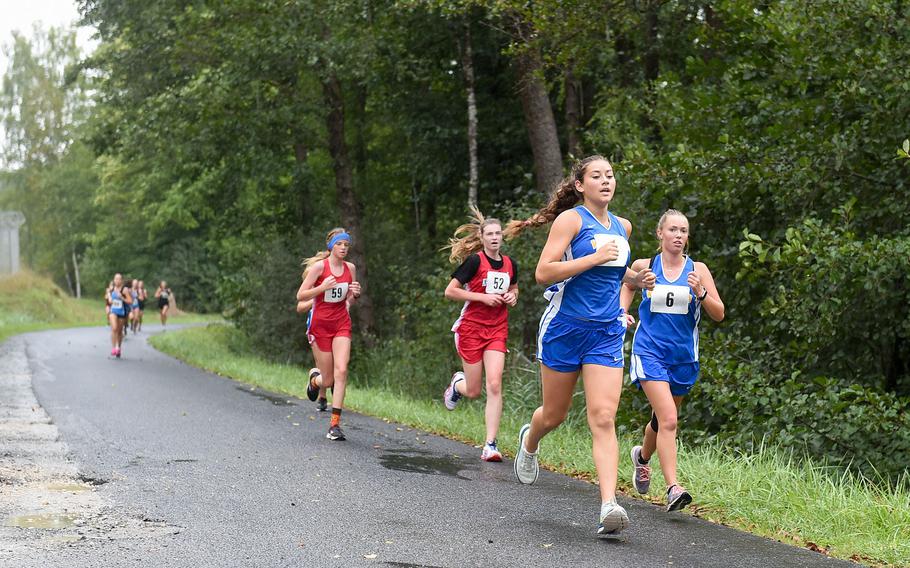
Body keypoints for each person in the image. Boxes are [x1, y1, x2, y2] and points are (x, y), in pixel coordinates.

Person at [505, 155, 655, 536]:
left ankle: (609, 505)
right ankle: (531, 438)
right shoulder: (570, 220)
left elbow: (616, 273)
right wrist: (592, 257)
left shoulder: (623, 225)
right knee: (554, 415)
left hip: (605, 331)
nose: (606, 181)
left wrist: (637, 279)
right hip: (565, 328)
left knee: (603, 417)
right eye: (597, 176)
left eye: (610, 175)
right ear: (580, 185)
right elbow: (543, 272)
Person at [620, 209, 724, 512]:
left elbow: (719, 313)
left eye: (684, 231)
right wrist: (623, 311)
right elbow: (626, 285)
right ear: (660, 234)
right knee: (668, 419)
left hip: (683, 358)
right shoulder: (645, 265)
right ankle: (673, 487)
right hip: (649, 350)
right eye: (673, 230)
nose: (678, 236)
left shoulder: (698, 270)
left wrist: (701, 292)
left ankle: (642, 457)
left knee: (660, 418)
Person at [442, 208, 519, 462]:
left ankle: (490, 445)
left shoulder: (510, 264)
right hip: (471, 329)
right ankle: (457, 384)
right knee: (473, 391)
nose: (495, 238)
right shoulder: (475, 262)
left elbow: (515, 289)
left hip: (497, 329)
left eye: (498, 233)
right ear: (482, 237)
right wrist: (482, 297)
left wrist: (512, 296)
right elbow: (450, 291)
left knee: (495, 384)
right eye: (490, 234)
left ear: (502, 237)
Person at [296, 228, 361, 440]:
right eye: (340, 244)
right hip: (320, 325)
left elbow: (349, 296)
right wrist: (321, 287)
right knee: (327, 379)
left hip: (341, 323)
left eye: (346, 245)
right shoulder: (318, 268)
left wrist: (355, 294)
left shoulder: (350, 268)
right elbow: (300, 295)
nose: (343, 248)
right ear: (331, 246)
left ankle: (335, 425)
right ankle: (315, 380)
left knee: (342, 370)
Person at [106, 273, 133, 358]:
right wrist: (109, 298)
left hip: (122, 312)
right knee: (114, 328)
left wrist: (122, 298)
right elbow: (108, 299)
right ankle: (113, 348)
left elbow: (130, 301)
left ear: (121, 281)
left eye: (119, 279)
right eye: (116, 279)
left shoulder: (124, 290)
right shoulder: (111, 289)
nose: (117, 280)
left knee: (119, 331)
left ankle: (119, 347)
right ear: (114, 280)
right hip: (113, 311)